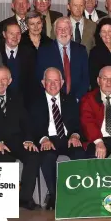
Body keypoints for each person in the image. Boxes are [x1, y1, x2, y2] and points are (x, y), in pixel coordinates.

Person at [0, 66, 41, 210]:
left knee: (33, 155)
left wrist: (29, 139)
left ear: (10, 81)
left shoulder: (16, 96)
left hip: (16, 141)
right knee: (6, 159)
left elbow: (26, 121)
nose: (0, 82)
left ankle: (24, 198)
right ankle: (7, 201)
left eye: (4, 79)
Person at [30, 67, 86, 210]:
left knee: (79, 153)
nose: (53, 84)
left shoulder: (70, 99)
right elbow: (32, 126)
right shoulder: (34, 102)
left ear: (62, 83)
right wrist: (43, 139)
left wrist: (75, 135)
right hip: (48, 139)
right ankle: (55, 196)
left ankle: (77, 194)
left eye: (56, 81)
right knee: (47, 156)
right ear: (43, 82)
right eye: (49, 81)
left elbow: (77, 123)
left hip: (67, 138)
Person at [35, 17, 89, 101]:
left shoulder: (81, 50)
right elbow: (40, 78)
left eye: (66, 28)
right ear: (55, 31)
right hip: (53, 101)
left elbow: (85, 78)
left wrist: (77, 98)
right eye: (60, 29)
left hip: (77, 101)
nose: (63, 32)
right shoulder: (44, 51)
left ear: (71, 32)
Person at [0, 22, 37, 105]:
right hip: (0, 101)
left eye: (18, 33)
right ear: (4, 34)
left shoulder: (29, 53)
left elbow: (33, 81)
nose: (15, 37)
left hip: (24, 102)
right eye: (11, 33)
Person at [89, 17, 111, 90]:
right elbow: (93, 80)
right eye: (103, 31)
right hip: (104, 92)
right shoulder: (95, 52)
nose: (107, 34)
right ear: (99, 34)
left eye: (110, 31)